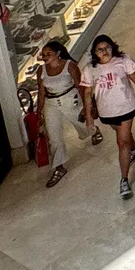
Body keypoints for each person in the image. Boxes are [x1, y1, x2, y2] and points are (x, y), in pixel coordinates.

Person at [33, 39, 100, 189]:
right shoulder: (41, 71)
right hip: (51, 104)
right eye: (43, 55)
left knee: (81, 124)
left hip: (70, 99)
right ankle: (59, 166)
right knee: (54, 136)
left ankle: (94, 130)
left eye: (48, 54)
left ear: (57, 54)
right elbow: (41, 92)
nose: (45, 57)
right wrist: (39, 113)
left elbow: (81, 86)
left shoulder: (70, 67)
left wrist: (87, 107)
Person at [87, 35, 135, 199]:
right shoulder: (91, 69)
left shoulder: (123, 60)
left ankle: (124, 180)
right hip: (106, 112)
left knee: (122, 142)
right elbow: (87, 92)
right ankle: (134, 147)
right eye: (100, 49)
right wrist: (89, 116)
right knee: (122, 134)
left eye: (107, 47)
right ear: (95, 52)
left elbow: (133, 75)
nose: (104, 52)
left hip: (125, 107)